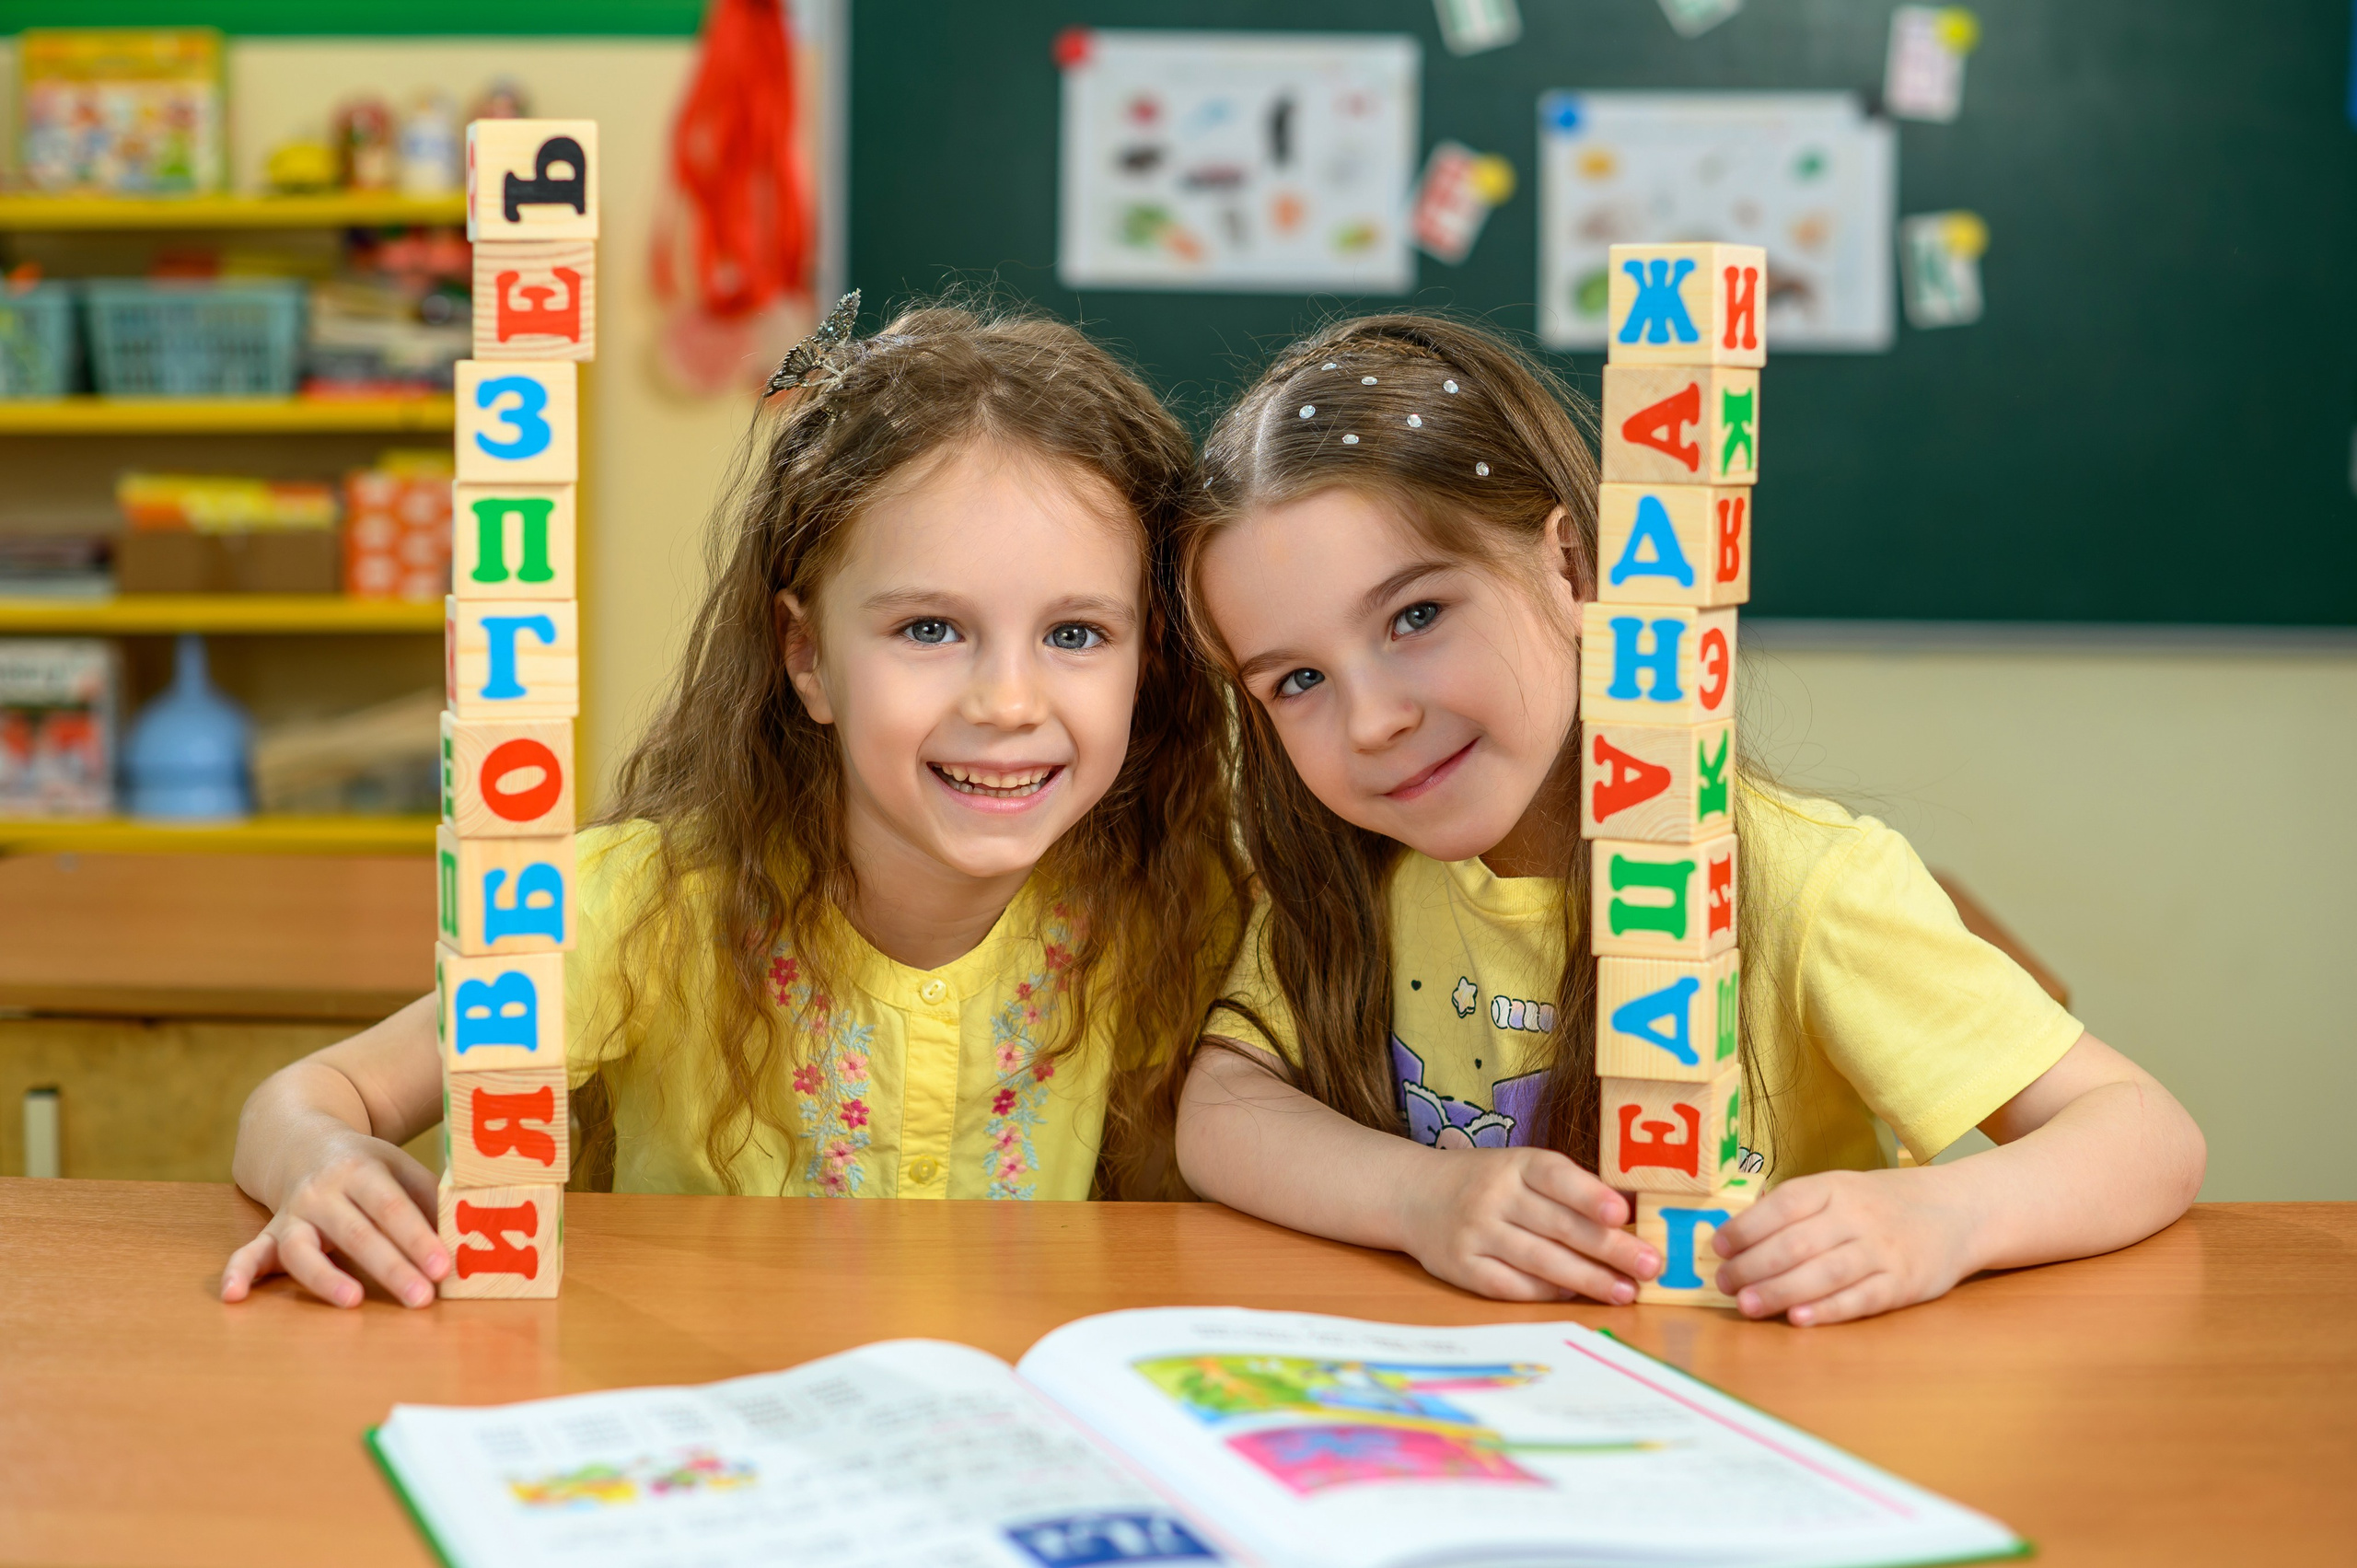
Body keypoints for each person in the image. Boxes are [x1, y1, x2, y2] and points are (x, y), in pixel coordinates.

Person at [1171, 315, 2204, 1326]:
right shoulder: (1354, 877)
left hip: (1768, 1409)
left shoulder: (1805, 881)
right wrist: (1418, 1198)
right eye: (1297, 677)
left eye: (1416, 615)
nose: (1374, 719)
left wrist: (1938, 1218)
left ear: (1569, 567)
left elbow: (2144, 1132)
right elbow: (1221, 1111)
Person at [223, 298, 1243, 1309]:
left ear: (1148, 658)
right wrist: (319, 1160)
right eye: (930, 629)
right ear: (807, 657)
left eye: (1075, 634)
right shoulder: (642, 901)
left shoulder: (1178, 904)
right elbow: (310, 1096)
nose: (1008, 703)